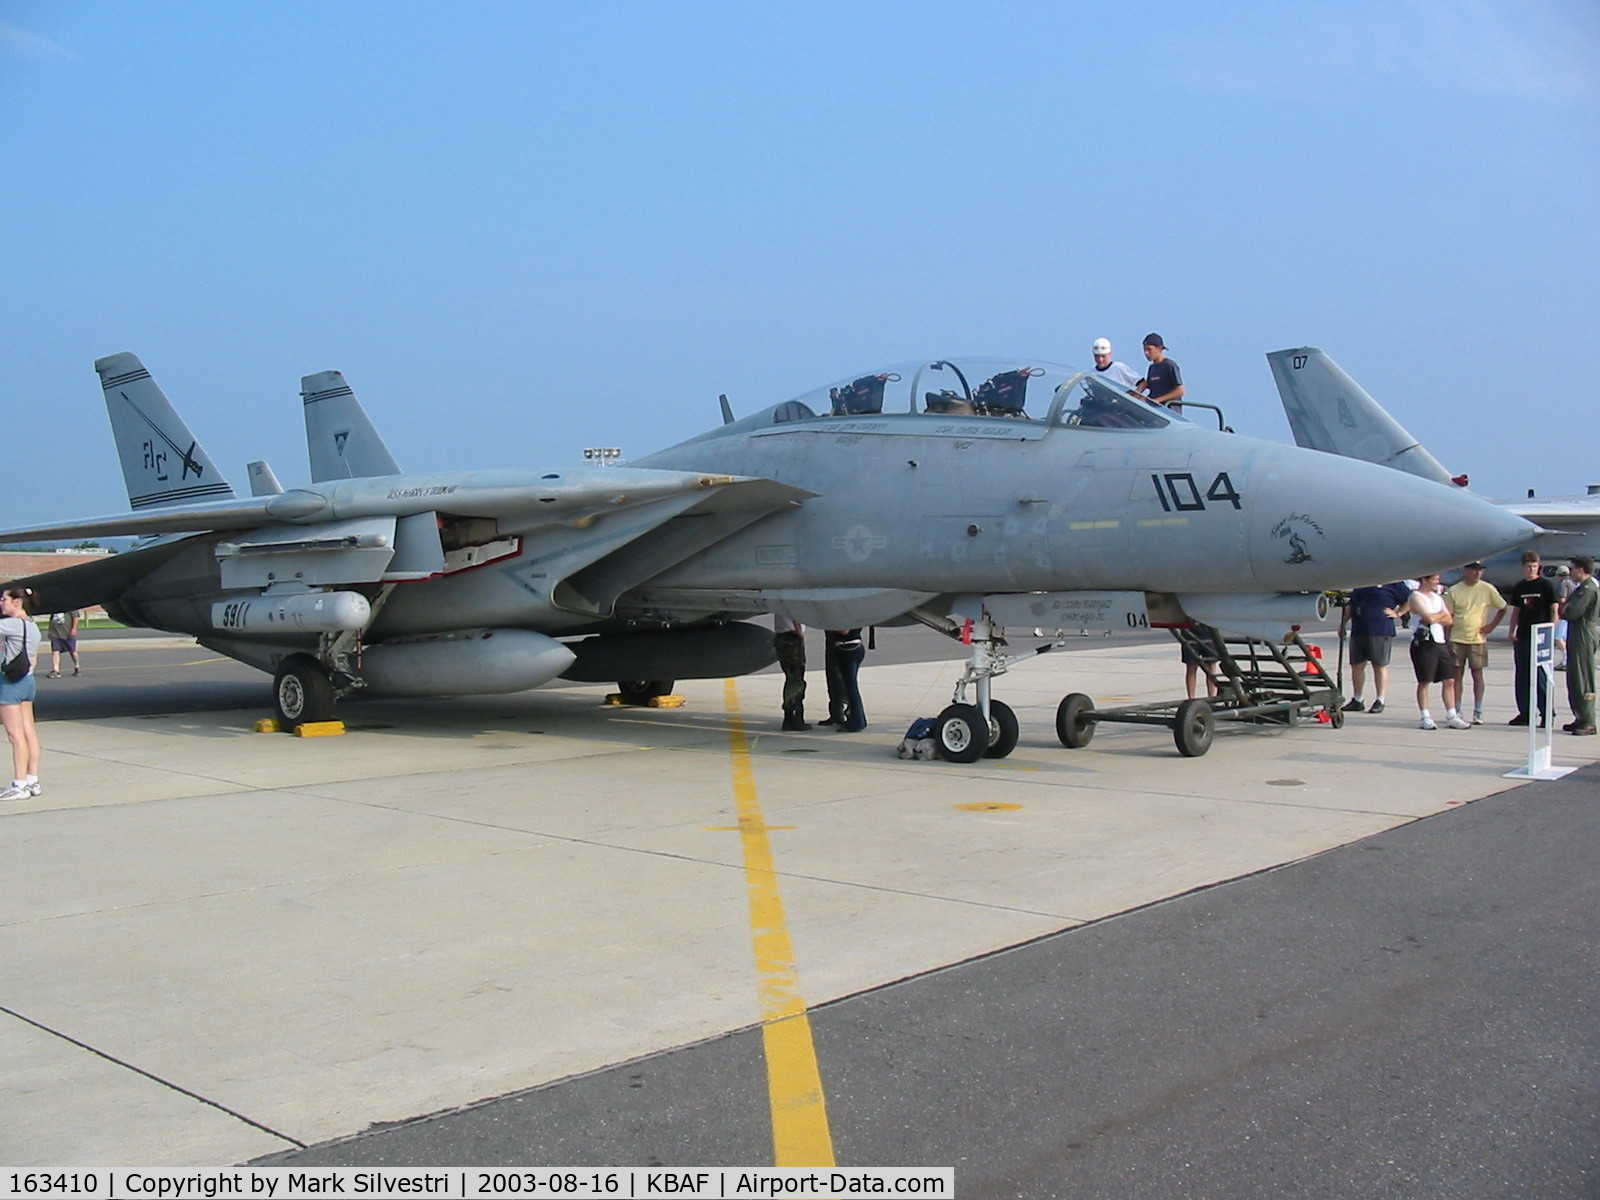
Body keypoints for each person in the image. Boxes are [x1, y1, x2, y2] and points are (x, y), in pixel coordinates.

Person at [1444, 561, 1507, 724]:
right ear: (1466, 570)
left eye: (1480, 570)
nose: (1478, 573)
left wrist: (1491, 626)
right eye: (1474, 570)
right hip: (1457, 638)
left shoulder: (1487, 588)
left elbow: (1502, 607)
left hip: (1477, 639)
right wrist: (1446, 640)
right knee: (1457, 676)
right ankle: (1457, 709)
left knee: (1477, 675)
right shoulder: (1455, 590)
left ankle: (1478, 710)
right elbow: (1448, 616)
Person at [1405, 573, 1467, 729]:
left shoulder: (1437, 598)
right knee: (1425, 681)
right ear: (1424, 580)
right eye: (1435, 579)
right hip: (1425, 643)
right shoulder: (1415, 597)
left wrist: (1436, 616)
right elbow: (1428, 619)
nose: (1437, 582)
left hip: (1440, 642)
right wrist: (1439, 616)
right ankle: (1425, 716)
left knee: (1449, 679)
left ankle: (1452, 714)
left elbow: (1449, 619)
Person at [1505, 551, 1559, 726]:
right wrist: (1512, 631)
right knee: (1523, 675)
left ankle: (1547, 713)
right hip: (1524, 635)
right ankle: (1526, 712)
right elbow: (1516, 611)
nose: (1531, 570)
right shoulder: (1520, 587)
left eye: (1534, 567)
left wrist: (1552, 631)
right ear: (1523, 567)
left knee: (1541, 676)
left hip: (1541, 634)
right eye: (1528, 567)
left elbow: (1554, 610)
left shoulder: (1546, 585)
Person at [1341, 582, 1410, 713]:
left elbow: (1410, 599)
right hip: (1359, 628)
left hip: (1380, 630)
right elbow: (1352, 604)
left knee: (1379, 665)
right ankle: (1357, 699)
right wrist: (1343, 623)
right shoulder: (1364, 581)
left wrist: (1399, 613)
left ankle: (1380, 699)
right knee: (1357, 665)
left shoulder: (1393, 582)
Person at [0, 587, 42, 800]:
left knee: (15, 735)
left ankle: (19, 784)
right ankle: (32, 780)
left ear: (17, 602)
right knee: (29, 733)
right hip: (28, 681)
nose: (1, 603)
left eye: (4, 599)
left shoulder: (11, 624)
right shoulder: (32, 626)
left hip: (10, 683)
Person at [1561, 555, 1598, 735]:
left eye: (1573, 568)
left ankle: (1589, 720)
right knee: (1575, 677)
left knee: (1583, 676)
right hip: (1577, 633)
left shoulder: (1588, 589)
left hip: (1583, 633)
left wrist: (1566, 607)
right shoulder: (1582, 588)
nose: (1571, 572)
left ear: (1581, 570)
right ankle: (1580, 716)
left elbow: (1572, 612)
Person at [825, 628, 867, 732]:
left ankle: (857, 722)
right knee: (851, 687)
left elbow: (844, 630)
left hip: (847, 648)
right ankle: (859, 719)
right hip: (855, 646)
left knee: (851, 688)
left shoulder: (845, 615)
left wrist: (831, 624)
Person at [772, 619, 810, 731]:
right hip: (792, 637)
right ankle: (796, 719)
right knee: (797, 680)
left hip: (781, 637)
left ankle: (788, 718)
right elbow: (795, 614)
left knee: (790, 678)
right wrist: (799, 632)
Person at [1135, 333, 1185, 408]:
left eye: (1149, 349)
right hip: (1155, 410)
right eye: (1144, 349)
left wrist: (1157, 400)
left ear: (1159, 348)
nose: (1146, 353)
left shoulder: (1169, 365)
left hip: (1169, 410)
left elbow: (1180, 391)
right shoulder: (1152, 368)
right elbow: (1149, 384)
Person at [1181, 627, 1220, 699]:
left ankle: (1213, 696)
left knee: (1211, 664)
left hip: (1208, 629)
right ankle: (1191, 697)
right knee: (1191, 665)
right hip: (1189, 628)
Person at [47, 609, 81, 678]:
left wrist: (74, 629)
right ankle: (56, 670)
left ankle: (77, 666)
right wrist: (50, 630)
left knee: (72, 651)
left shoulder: (71, 608)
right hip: (56, 633)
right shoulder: (55, 608)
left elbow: (75, 618)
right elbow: (51, 619)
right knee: (55, 651)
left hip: (67, 633)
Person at [1554, 563, 1575, 670]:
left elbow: (1562, 598)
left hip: (1564, 615)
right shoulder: (1573, 583)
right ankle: (1565, 660)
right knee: (1565, 638)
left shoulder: (1563, 583)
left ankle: (1566, 659)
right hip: (1571, 614)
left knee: (1558, 637)